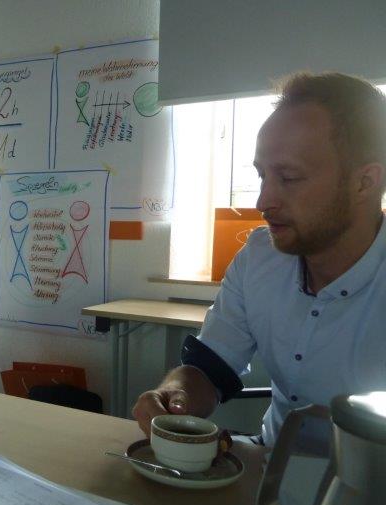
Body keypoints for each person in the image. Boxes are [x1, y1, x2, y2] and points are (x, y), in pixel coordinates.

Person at [133, 72, 386, 452]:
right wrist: (175, 395)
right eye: (262, 176)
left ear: (365, 182)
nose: (263, 202)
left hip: (368, 482)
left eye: (289, 177)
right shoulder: (259, 256)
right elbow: (211, 366)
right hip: (269, 461)